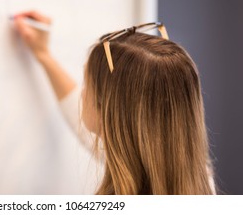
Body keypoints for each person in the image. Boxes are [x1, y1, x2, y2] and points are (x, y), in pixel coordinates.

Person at [12, 10, 216, 195]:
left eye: (87, 85)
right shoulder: (192, 178)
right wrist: (43, 54)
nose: (82, 96)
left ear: (110, 114)